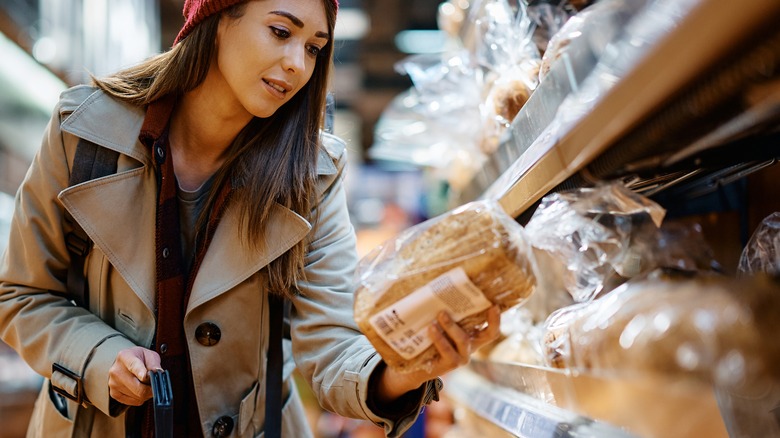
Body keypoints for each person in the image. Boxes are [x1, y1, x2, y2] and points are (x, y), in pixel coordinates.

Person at [0, 0, 501, 436]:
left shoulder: (311, 178)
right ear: (217, 18)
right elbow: (21, 294)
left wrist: (403, 371)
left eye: (313, 47)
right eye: (281, 32)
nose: (297, 64)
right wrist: (99, 358)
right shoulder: (83, 133)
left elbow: (331, 344)